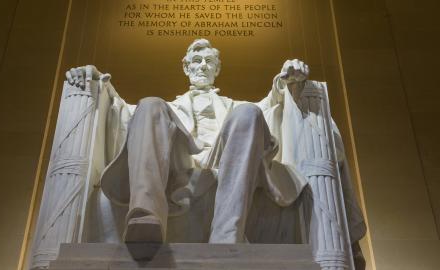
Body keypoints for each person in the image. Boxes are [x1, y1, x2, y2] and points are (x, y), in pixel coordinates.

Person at [65, 39, 365, 251]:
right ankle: (145, 217)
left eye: (209, 61)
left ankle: (227, 235)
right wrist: (95, 81)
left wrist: (287, 81)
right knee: (150, 104)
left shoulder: (235, 106)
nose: (202, 65)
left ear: (217, 69)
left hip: (227, 160)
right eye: (196, 60)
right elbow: (122, 114)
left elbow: (271, 108)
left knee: (248, 113)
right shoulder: (167, 109)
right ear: (185, 67)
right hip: (177, 163)